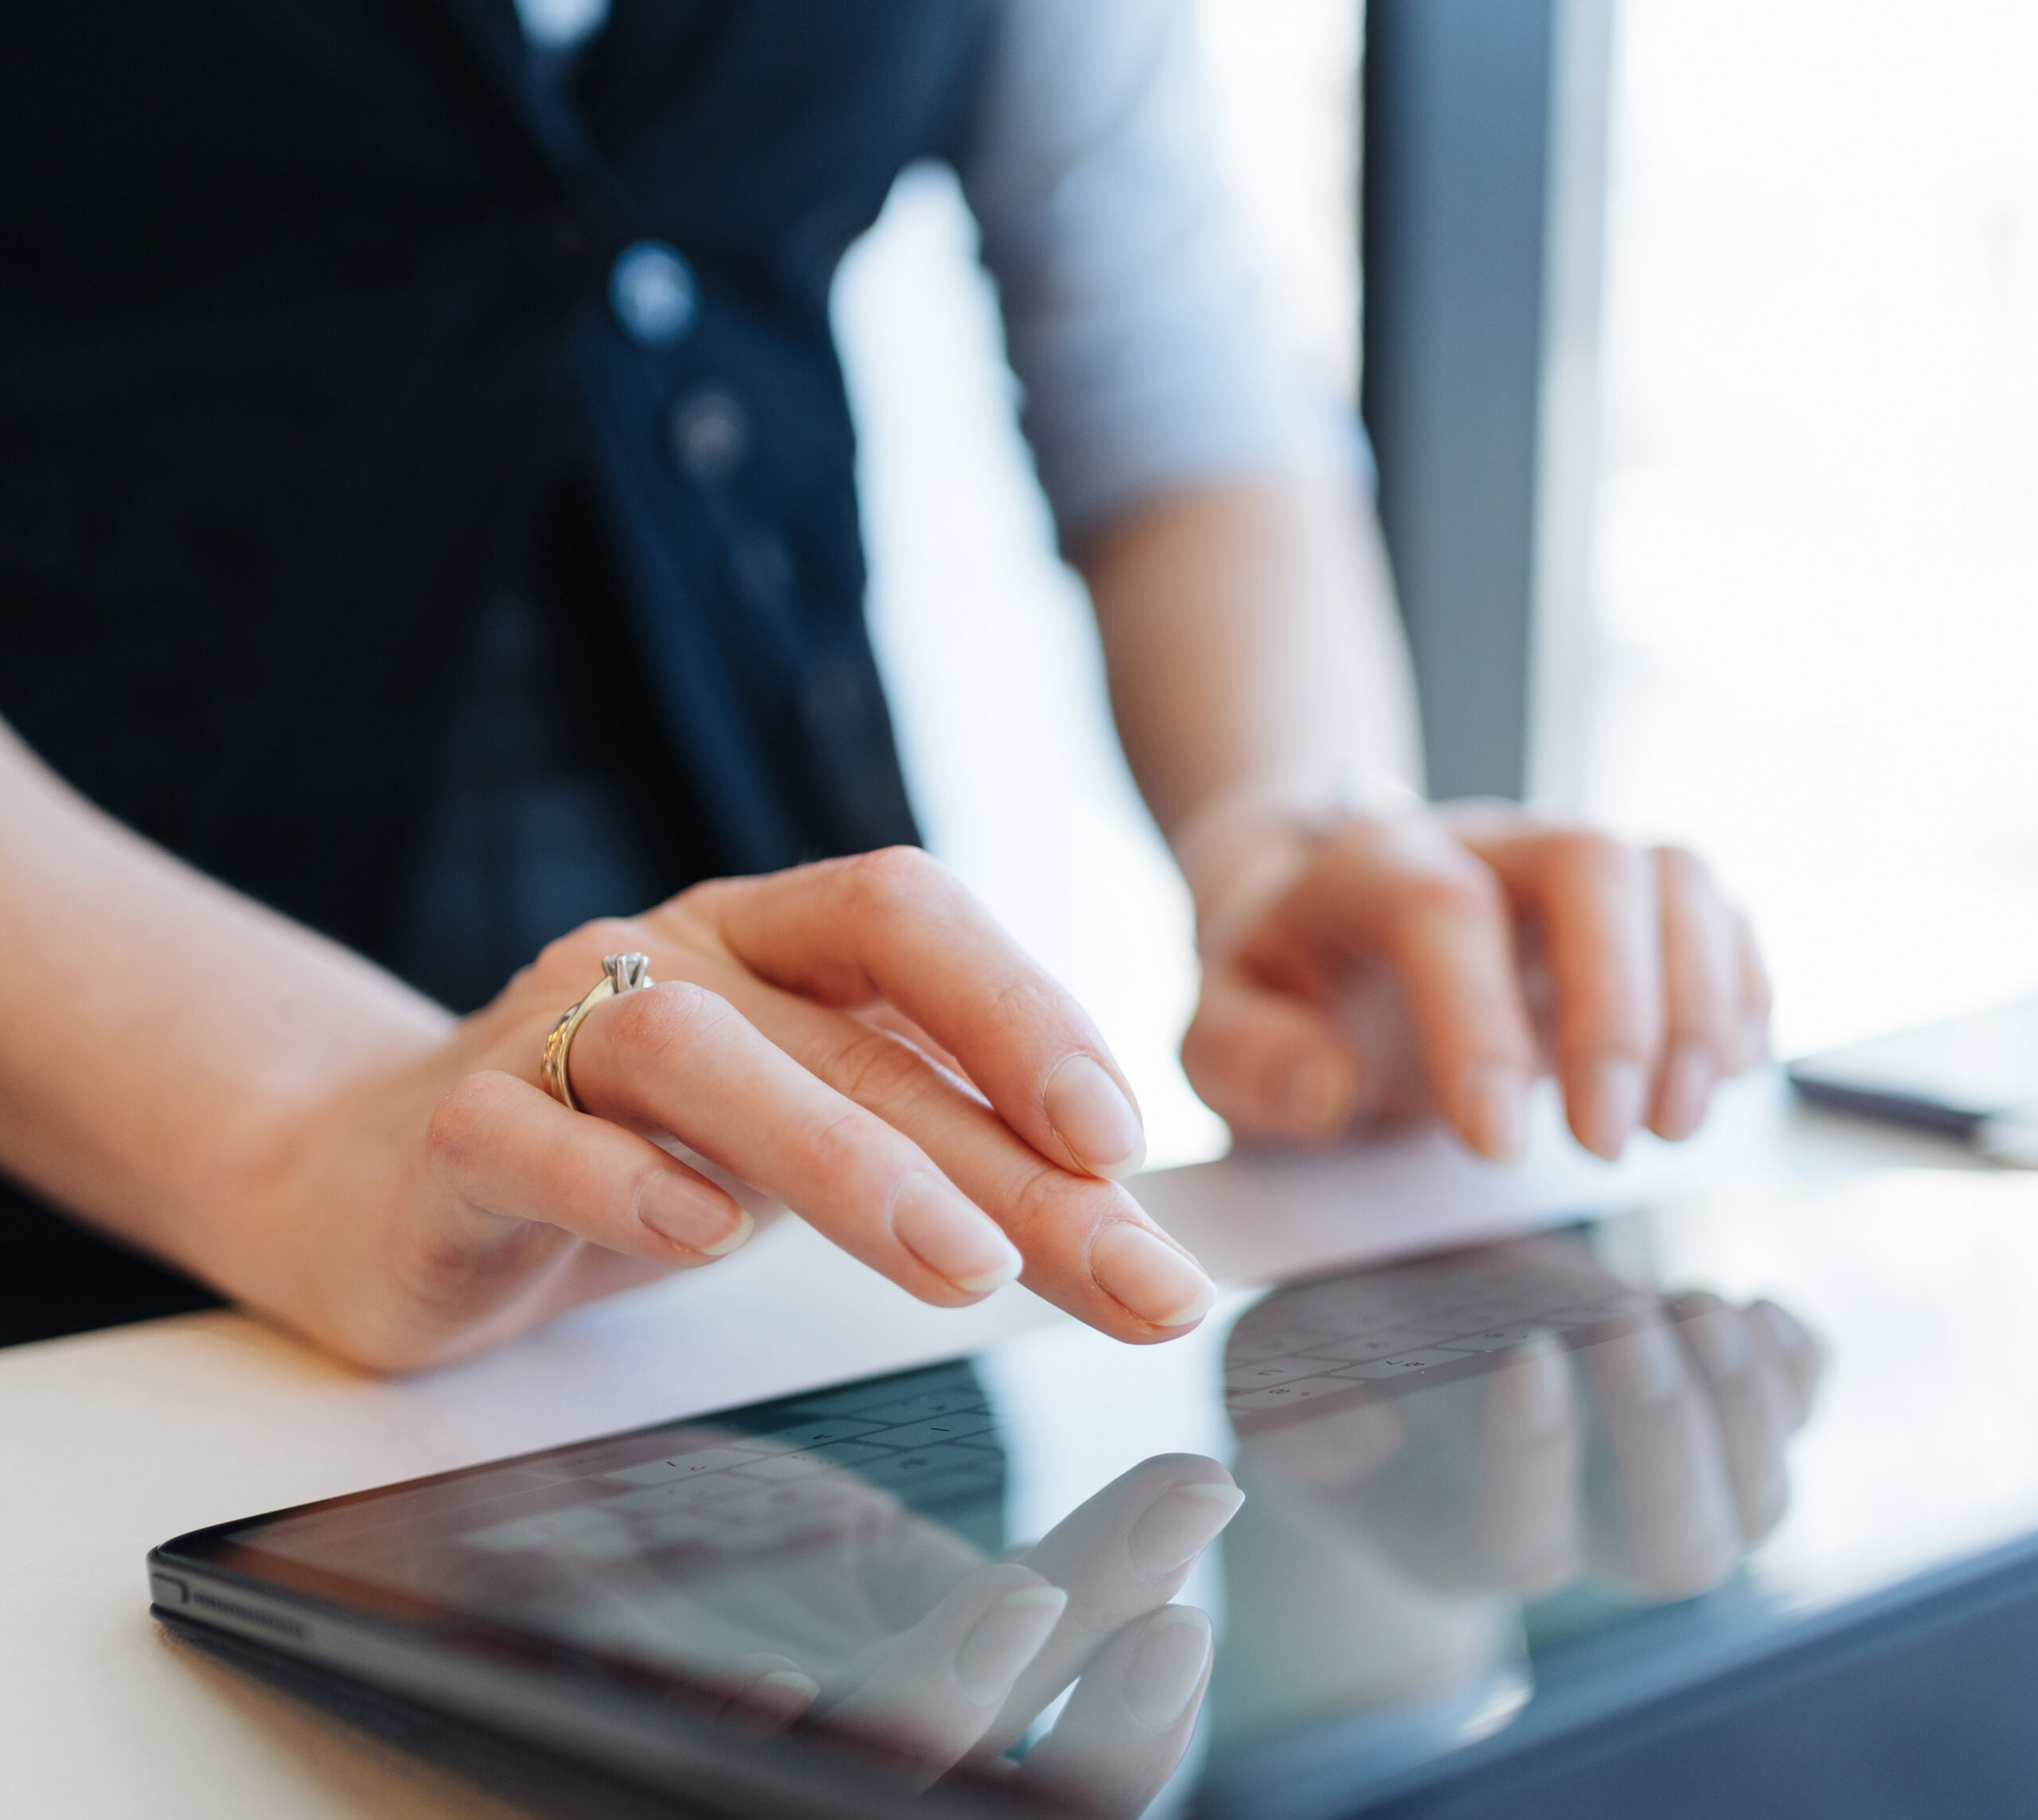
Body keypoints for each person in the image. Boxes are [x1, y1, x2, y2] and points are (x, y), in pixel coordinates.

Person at [0, 0, 1767, 1362]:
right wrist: (305, 1124)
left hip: (800, 1221)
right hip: (95, 1165)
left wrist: (1286, 828)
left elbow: (1164, 374)